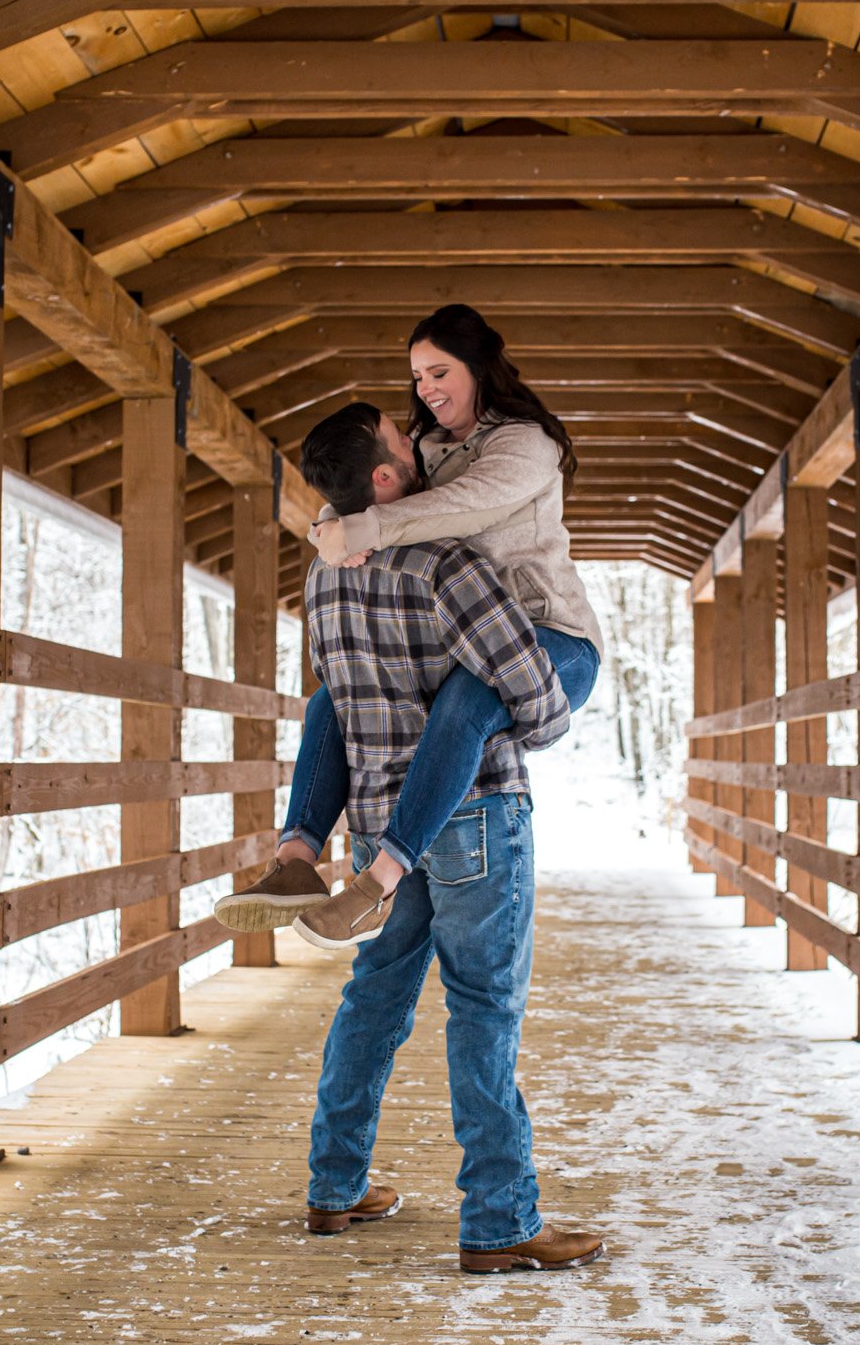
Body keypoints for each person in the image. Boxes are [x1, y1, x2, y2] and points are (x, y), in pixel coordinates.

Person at [282, 419, 606, 1272]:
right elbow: (534, 690)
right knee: (483, 1008)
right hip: (473, 816)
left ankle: (334, 1184)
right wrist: (520, 719)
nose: (415, 437)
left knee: (375, 997)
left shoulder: (322, 575)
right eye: (400, 438)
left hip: (376, 822)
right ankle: (500, 1222)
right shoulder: (449, 564)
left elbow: (334, 702)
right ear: (386, 481)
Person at [214, 305, 603, 949]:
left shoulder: (525, 445)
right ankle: (295, 862)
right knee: (329, 702)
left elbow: (460, 506)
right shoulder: (423, 446)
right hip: (466, 636)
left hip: (546, 637)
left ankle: (379, 879)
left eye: (439, 370)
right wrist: (331, 523)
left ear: (478, 368)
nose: (425, 388)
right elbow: (371, 482)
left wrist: (361, 529)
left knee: (469, 698)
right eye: (417, 375)